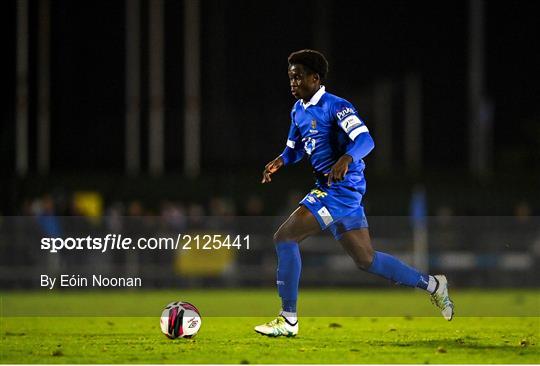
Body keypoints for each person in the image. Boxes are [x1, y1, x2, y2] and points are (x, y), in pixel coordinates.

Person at [254, 49, 454, 337]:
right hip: (332, 190)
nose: (293, 82)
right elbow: (294, 149)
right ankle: (434, 285)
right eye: (290, 77)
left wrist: (347, 158)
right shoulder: (297, 110)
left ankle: (288, 319)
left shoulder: (337, 106)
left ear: (315, 77)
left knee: (284, 237)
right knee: (366, 260)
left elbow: (365, 139)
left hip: (341, 189)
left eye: (298, 77)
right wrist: (280, 161)